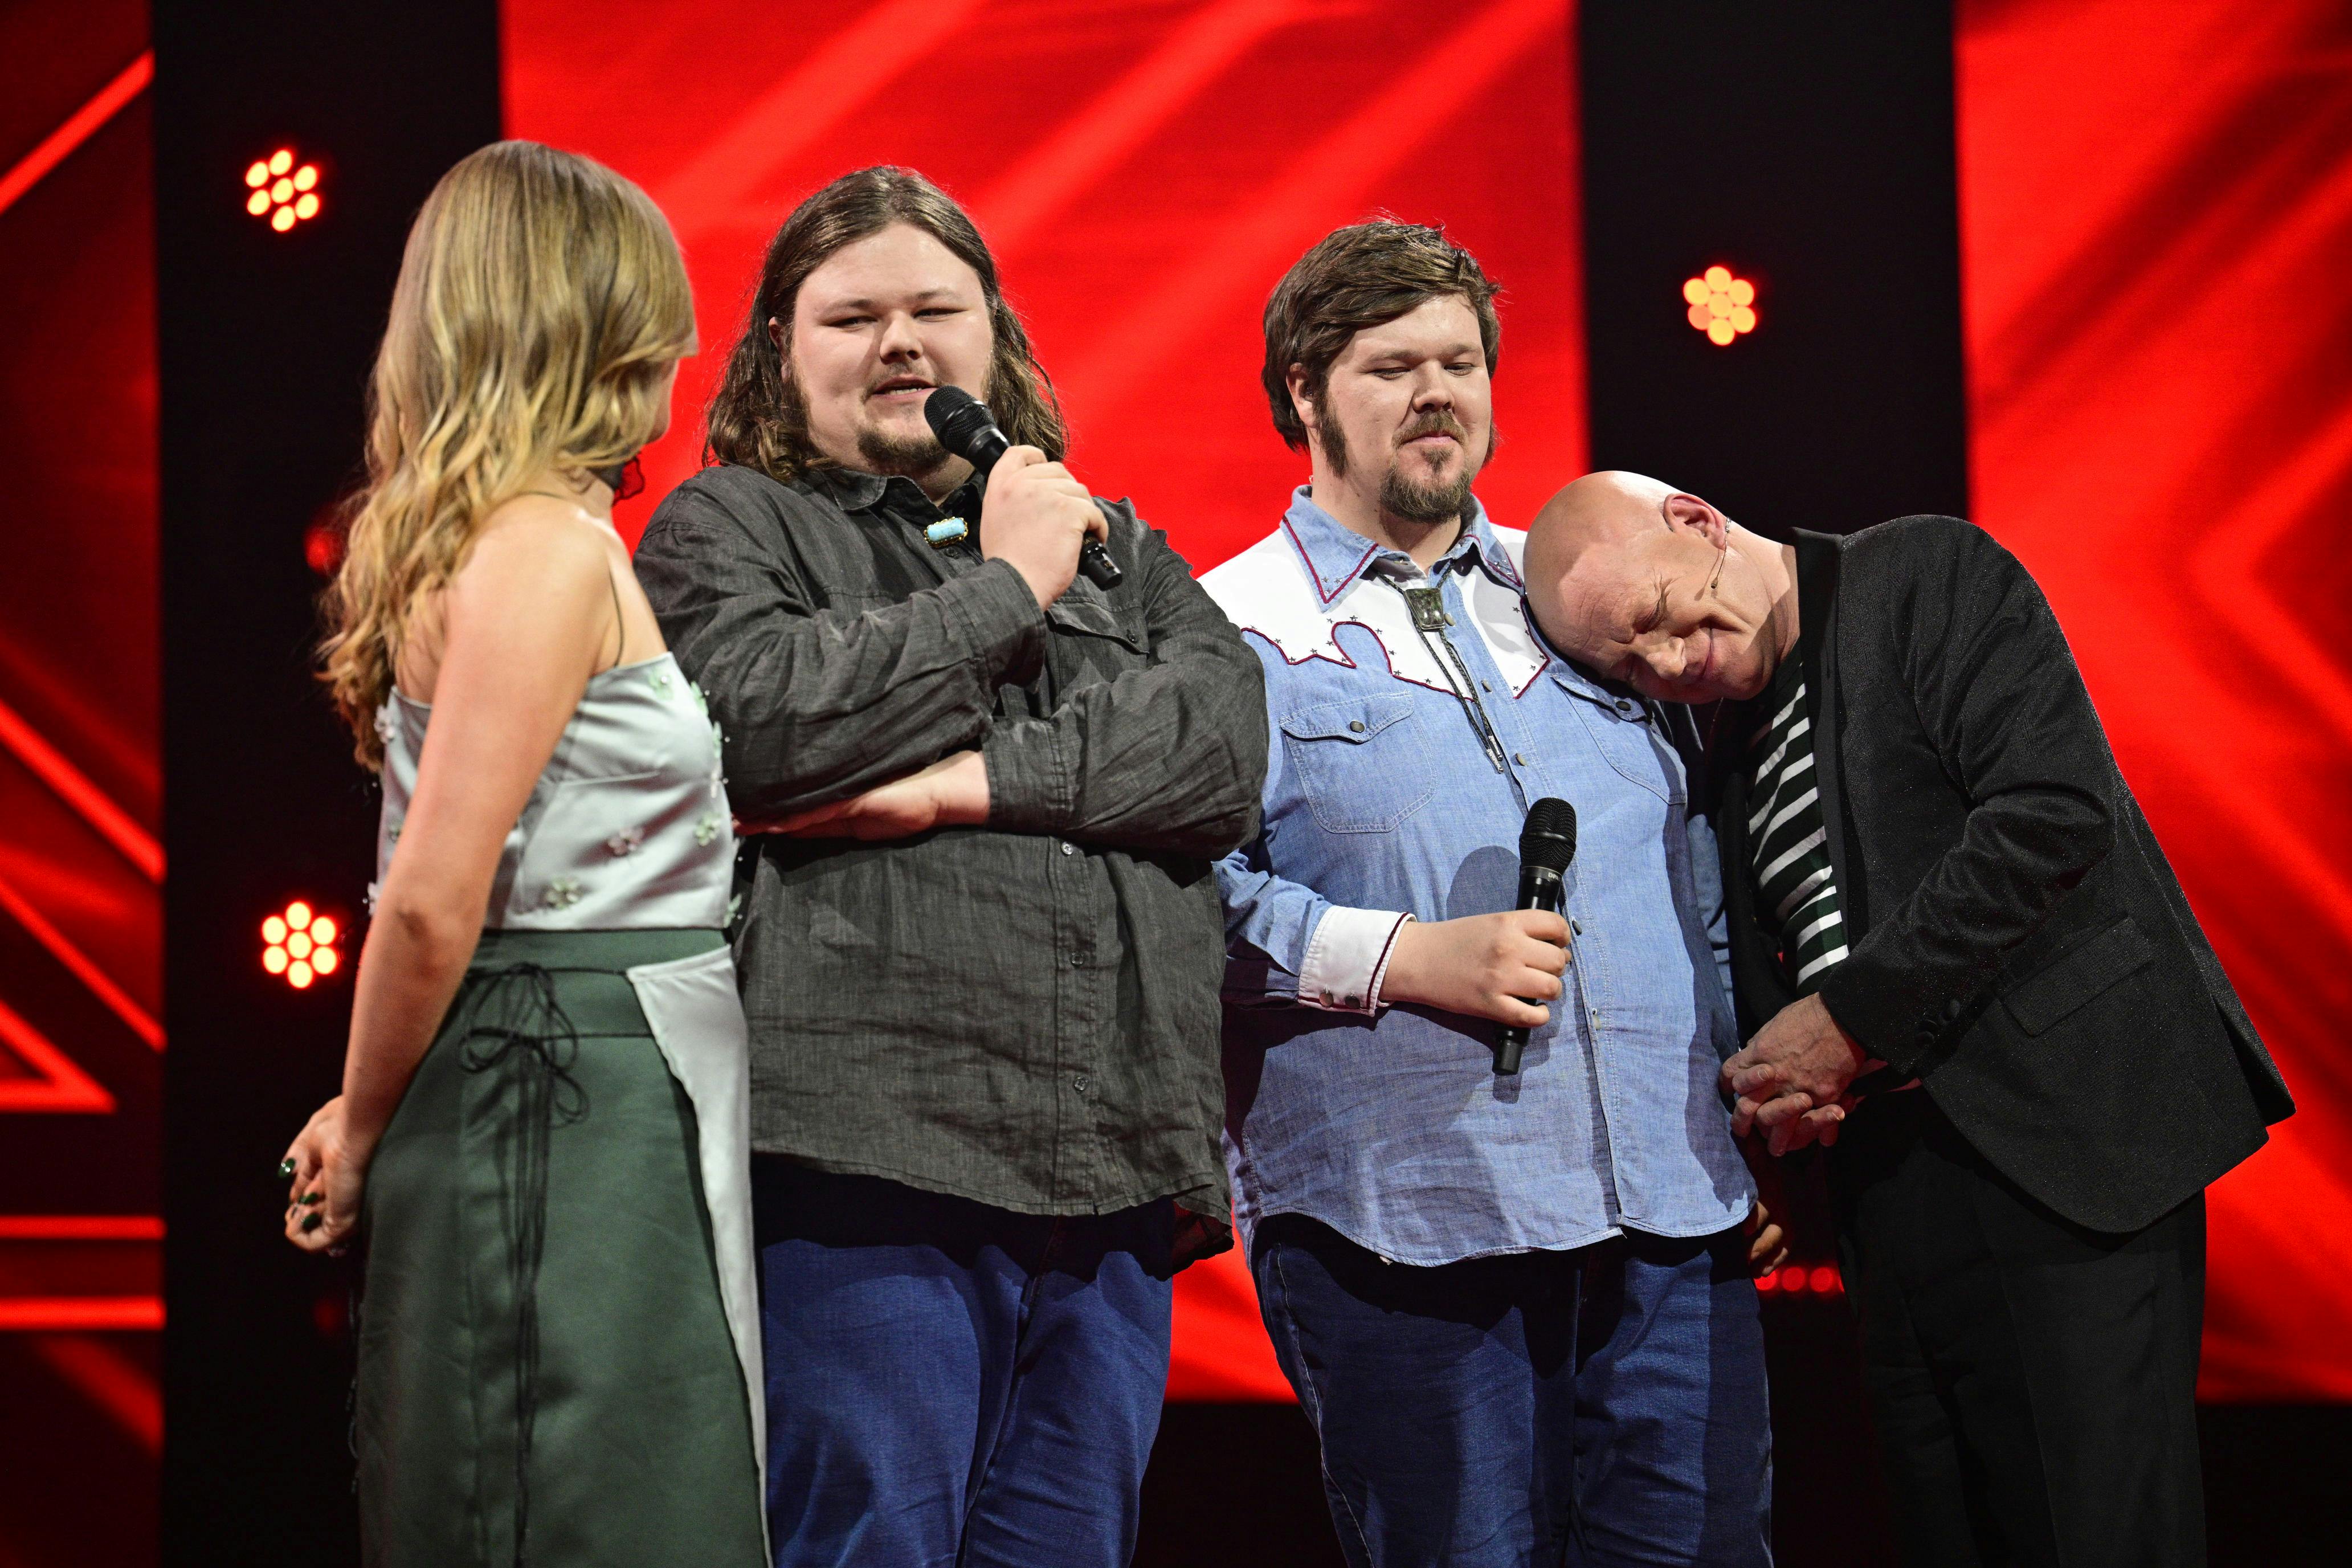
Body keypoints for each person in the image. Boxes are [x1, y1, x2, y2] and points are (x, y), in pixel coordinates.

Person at [631, 166, 1266, 1568]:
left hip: (1109, 1164)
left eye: (937, 308)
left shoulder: (1121, 548)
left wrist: (946, 785)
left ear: (998, 338)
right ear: (778, 355)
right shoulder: (729, 527)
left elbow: (1220, 753)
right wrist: (1007, 589)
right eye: (853, 316)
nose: (903, 342)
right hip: (869, 1160)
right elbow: (766, 727)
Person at [1523, 472, 2296, 1568]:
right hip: (1896, 1194)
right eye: (1632, 664)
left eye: (1655, 617)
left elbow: (2050, 811)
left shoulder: (1919, 572)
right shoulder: (1728, 743)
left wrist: (1847, 1023)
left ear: (1696, 521)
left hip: (2062, 1158)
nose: (1670, 664)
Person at [1202, 222, 1781, 1568]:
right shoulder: (1223, 627)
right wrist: (1404, 957)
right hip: (1402, 1221)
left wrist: (1747, 1096)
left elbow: (1697, 860)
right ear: (1305, 390)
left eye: (1460, 359)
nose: (1437, 392)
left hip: (1673, 1209)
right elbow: (1184, 900)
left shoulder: (1578, 587)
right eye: (1392, 363)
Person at [276, 142, 766, 1566]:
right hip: (571, 1084)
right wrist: (365, 1126)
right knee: (600, 1498)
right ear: (600, 320)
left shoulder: (509, 537)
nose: (684, 353)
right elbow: (431, 898)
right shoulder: (545, 548)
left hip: (566, 1064)